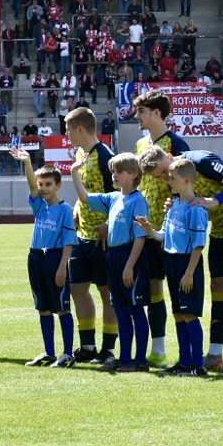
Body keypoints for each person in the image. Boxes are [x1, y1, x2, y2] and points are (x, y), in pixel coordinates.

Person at [139, 146, 223, 374]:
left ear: (170, 158)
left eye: (164, 173)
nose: (164, 179)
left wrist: (214, 200)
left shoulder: (201, 161)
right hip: (219, 233)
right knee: (219, 289)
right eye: (159, 177)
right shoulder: (176, 182)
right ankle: (214, 355)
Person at [70, 152, 150, 372]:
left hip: (129, 256)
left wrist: (129, 266)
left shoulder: (138, 201)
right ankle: (123, 358)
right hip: (112, 256)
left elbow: (140, 237)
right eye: (113, 171)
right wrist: (74, 172)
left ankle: (140, 360)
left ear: (133, 174)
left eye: (119, 171)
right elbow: (85, 198)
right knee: (121, 310)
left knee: (135, 309)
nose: (114, 175)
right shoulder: (114, 198)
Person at [136, 158, 209, 376]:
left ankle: (197, 364)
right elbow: (163, 236)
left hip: (187, 264)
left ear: (186, 180)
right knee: (178, 314)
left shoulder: (196, 209)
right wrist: (149, 230)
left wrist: (189, 273)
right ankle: (184, 361)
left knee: (190, 314)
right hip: (172, 262)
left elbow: (198, 245)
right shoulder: (174, 205)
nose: (169, 182)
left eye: (173, 178)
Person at [132, 89, 189, 366]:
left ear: (156, 113)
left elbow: (188, 184)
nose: (137, 116)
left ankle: (188, 354)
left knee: (179, 293)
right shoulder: (140, 145)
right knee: (153, 290)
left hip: (173, 232)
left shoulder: (176, 144)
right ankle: (158, 350)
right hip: (147, 231)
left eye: (141, 111)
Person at [9, 148, 76, 368]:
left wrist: (62, 266)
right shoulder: (39, 206)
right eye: (41, 184)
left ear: (58, 186)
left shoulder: (65, 209)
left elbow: (68, 240)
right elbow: (31, 186)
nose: (43, 188)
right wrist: (27, 163)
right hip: (36, 257)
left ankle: (68, 354)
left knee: (62, 307)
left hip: (55, 258)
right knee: (43, 307)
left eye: (48, 184)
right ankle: (49, 353)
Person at [65, 108, 119, 364]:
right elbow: (85, 191)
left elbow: (120, 195)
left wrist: (109, 223)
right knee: (77, 289)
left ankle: (108, 349)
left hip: (103, 238)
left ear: (80, 129)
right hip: (82, 235)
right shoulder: (80, 154)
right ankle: (87, 345)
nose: (66, 134)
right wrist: (77, 208)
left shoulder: (105, 156)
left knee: (106, 293)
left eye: (68, 129)